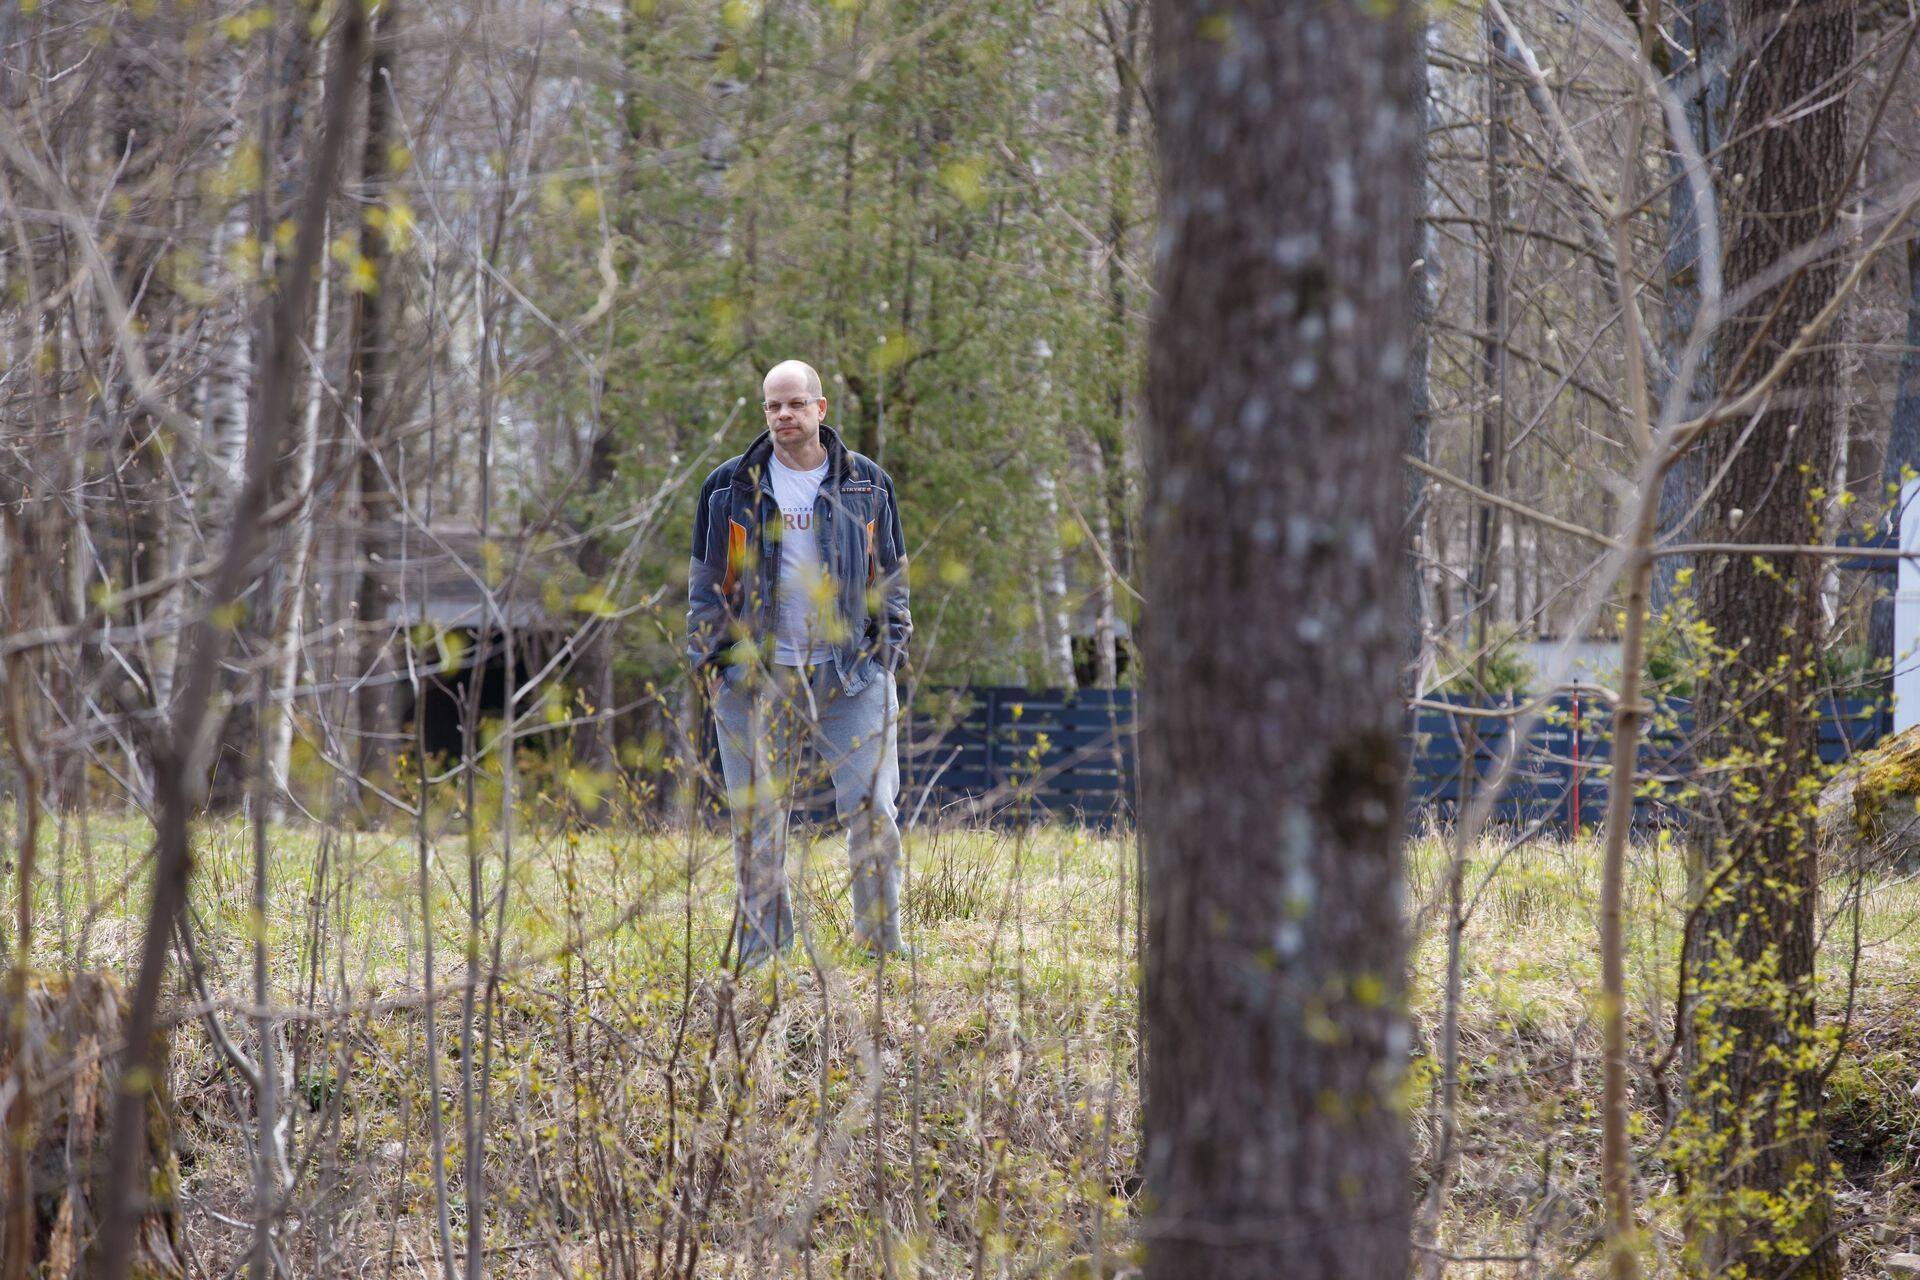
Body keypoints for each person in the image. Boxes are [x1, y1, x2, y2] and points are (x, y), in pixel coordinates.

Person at [686, 359, 912, 966]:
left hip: (852, 673)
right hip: (754, 677)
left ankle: (881, 948)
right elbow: (706, 578)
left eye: (795, 404)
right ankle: (763, 955)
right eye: (772, 406)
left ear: (820, 409)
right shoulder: (728, 486)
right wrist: (710, 657)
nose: (783, 415)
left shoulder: (867, 484)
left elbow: (890, 575)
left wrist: (888, 649)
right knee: (757, 822)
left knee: (872, 811)